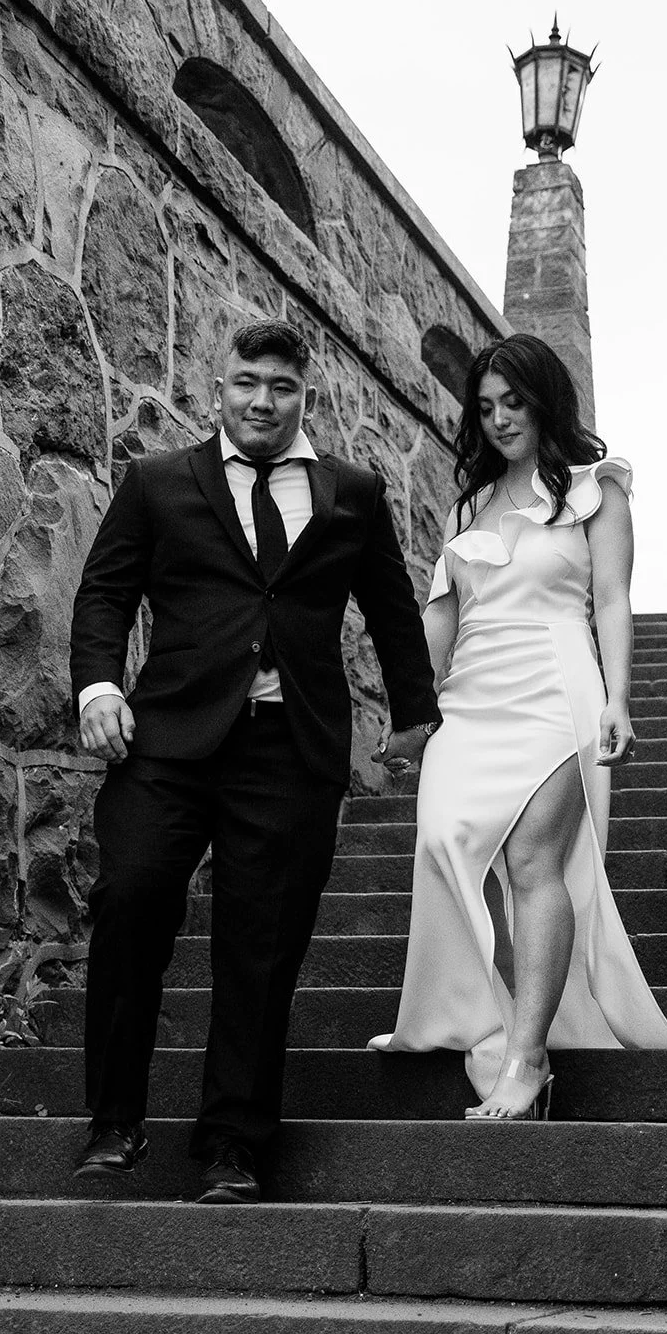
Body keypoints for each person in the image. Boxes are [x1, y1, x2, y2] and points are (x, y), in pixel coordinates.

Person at [70, 319, 440, 1199]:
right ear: (219, 387)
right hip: (167, 740)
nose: (262, 401)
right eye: (246, 382)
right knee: (130, 902)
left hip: (289, 750)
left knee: (261, 948)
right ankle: (114, 1122)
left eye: (280, 387)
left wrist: (414, 717)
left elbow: (392, 609)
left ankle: (232, 1144)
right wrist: (98, 689)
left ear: (304, 395)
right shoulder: (158, 482)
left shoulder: (353, 492)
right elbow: (105, 591)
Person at [369, 334, 667, 1118]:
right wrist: (412, 715)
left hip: (555, 687)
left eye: (514, 402)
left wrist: (618, 699)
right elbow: (441, 617)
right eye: (485, 407)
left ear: (545, 402)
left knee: (532, 859)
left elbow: (613, 601)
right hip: (470, 699)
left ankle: (526, 1060)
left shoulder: (598, 489)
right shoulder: (469, 507)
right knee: (446, 845)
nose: (499, 419)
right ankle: (496, 1021)